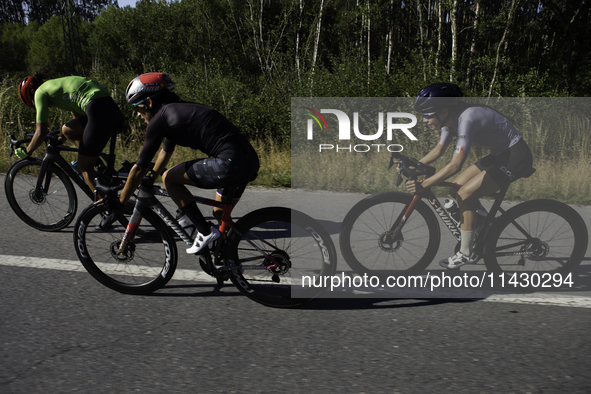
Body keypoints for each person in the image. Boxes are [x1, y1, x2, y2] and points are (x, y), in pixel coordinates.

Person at [117, 72, 260, 254]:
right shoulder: (178, 110)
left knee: (169, 178)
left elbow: (139, 168)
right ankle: (227, 259)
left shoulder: (160, 119)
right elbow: (165, 152)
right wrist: (152, 177)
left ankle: (204, 231)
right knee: (220, 215)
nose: (137, 114)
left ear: (150, 102)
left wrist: (120, 202)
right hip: (248, 161)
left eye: (138, 107)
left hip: (229, 163)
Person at [407, 82, 534, 269]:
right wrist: (413, 165)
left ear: (443, 111)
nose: (424, 120)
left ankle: (466, 253)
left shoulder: (467, 119)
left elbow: (455, 165)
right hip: (499, 155)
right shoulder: (448, 120)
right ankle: (482, 223)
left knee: (464, 194)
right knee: (455, 189)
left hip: (516, 157)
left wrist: (426, 184)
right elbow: (438, 151)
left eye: (427, 115)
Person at [17, 75, 125, 191]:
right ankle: (98, 164)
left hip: (96, 111)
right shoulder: (59, 85)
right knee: (67, 130)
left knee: (83, 167)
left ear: (31, 94)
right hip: (111, 108)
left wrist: (27, 151)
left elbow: (40, 133)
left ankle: (106, 207)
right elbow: (76, 121)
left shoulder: (39, 92)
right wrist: (61, 139)